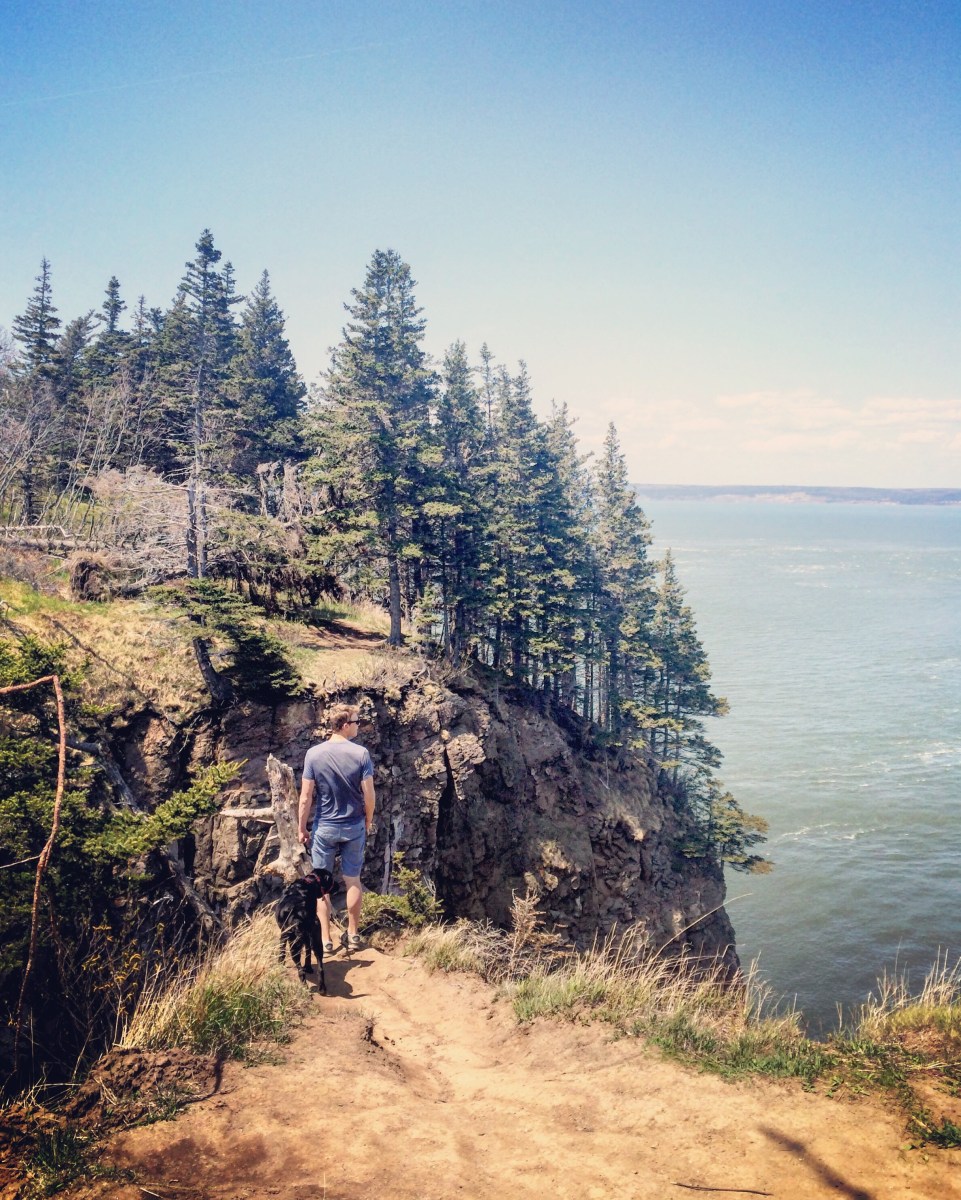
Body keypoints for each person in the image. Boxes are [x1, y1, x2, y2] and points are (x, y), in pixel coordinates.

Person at [298, 702, 375, 953]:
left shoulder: (314, 754)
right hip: (353, 826)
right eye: (356, 722)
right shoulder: (361, 754)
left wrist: (302, 827)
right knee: (353, 880)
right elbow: (369, 794)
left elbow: (306, 797)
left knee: (321, 885)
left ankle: (325, 939)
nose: (358, 726)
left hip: (324, 828)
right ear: (344, 725)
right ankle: (352, 935)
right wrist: (368, 819)